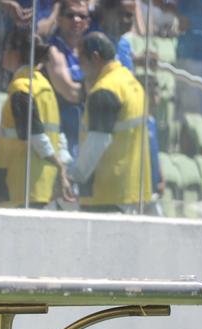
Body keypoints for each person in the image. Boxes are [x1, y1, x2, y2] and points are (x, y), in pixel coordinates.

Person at [68, 32, 148, 212]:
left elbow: (97, 142)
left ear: (95, 58)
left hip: (105, 194)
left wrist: (74, 178)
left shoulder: (105, 90)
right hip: (130, 190)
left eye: (81, 59)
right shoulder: (130, 82)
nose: (79, 66)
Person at [0, 27, 74, 207]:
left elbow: (35, 134)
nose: (2, 54)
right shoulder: (45, 86)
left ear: (16, 53)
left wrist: (59, 167)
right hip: (40, 185)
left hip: (18, 183)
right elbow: (57, 137)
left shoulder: (21, 87)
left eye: (5, 49)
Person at [45, 0, 89, 162]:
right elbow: (70, 92)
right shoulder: (53, 50)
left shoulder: (90, 50)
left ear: (88, 22)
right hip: (60, 139)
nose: (76, 20)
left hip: (83, 138)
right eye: (70, 15)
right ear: (59, 19)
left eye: (82, 16)